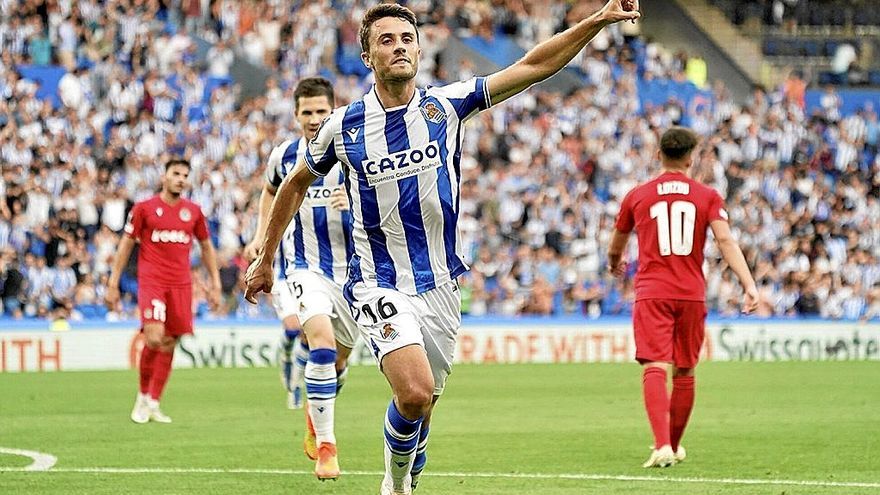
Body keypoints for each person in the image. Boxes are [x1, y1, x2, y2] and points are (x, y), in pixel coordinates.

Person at [244, 2, 641, 493]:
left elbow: (533, 67)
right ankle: (393, 483)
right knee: (412, 393)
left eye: (407, 38)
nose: (399, 47)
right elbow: (295, 183)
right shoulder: (342, 126)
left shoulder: (445, 106)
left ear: (420, 47)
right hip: (376, 283)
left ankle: (406, 470)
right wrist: (265, 257)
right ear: (367, 56)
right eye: (386, 40)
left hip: (440, 286)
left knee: (424, 403)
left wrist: (597, 22)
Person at [607, 127, 759, 468]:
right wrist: (748, 284)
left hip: (652, 292)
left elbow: (616, 245)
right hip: (691, 293)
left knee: (654, 365)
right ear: (691, 157)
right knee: (686, 369)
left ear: (659, 154)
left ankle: (661, 444)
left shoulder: (637, 196)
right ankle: (673, 446)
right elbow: (725, 242)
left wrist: (614, 264)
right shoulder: (707, 197)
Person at [243, 77, 357, 480]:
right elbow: (270, 192)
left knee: (338, 364)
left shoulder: (353, 152)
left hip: (356, 276)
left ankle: (315, 415)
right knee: (319, 344)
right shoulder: (285, 155)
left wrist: (354, 207)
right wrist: (260, 235)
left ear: (333, 111)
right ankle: (327, 447)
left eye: (320, 112)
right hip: (304, 268)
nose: (313, 119)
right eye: (306, 112)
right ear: (295, 115)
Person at [106, 158, 221, 425]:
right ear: (164, 177)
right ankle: (142, 396)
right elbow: (125, 245)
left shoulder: (193, 211)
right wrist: (113, 283)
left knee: (170, 341)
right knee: (154, 337)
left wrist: (215, 284)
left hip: (181, 284)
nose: (181, 178)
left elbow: (206, 247)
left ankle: (154, 401)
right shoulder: (144, 209)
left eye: (184, 175)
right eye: (175, 174)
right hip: (152, 281)